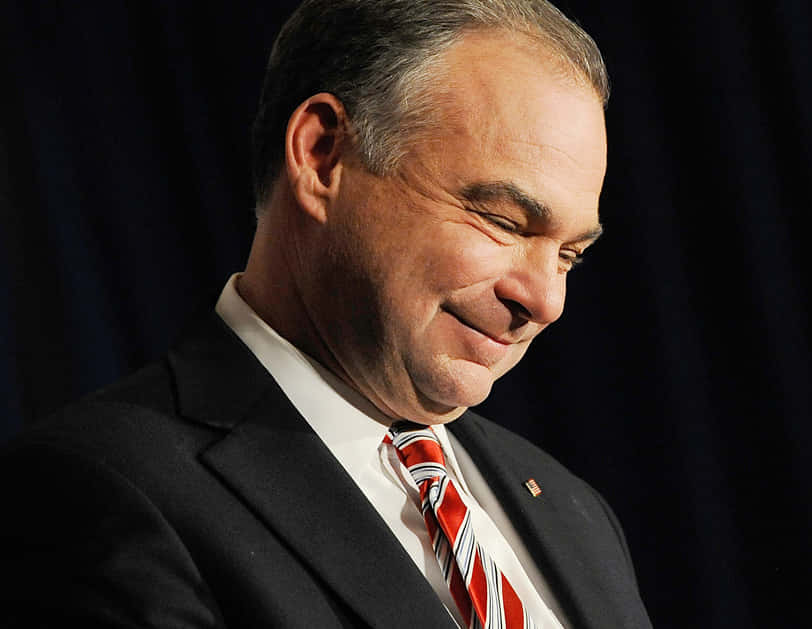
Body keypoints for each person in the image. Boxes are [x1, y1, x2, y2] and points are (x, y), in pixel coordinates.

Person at [0, 1, 653, 627]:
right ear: (323, 156)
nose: (545, 301)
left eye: (569, 255)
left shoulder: (575, 511)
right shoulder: (98, 491)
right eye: (502, 220)